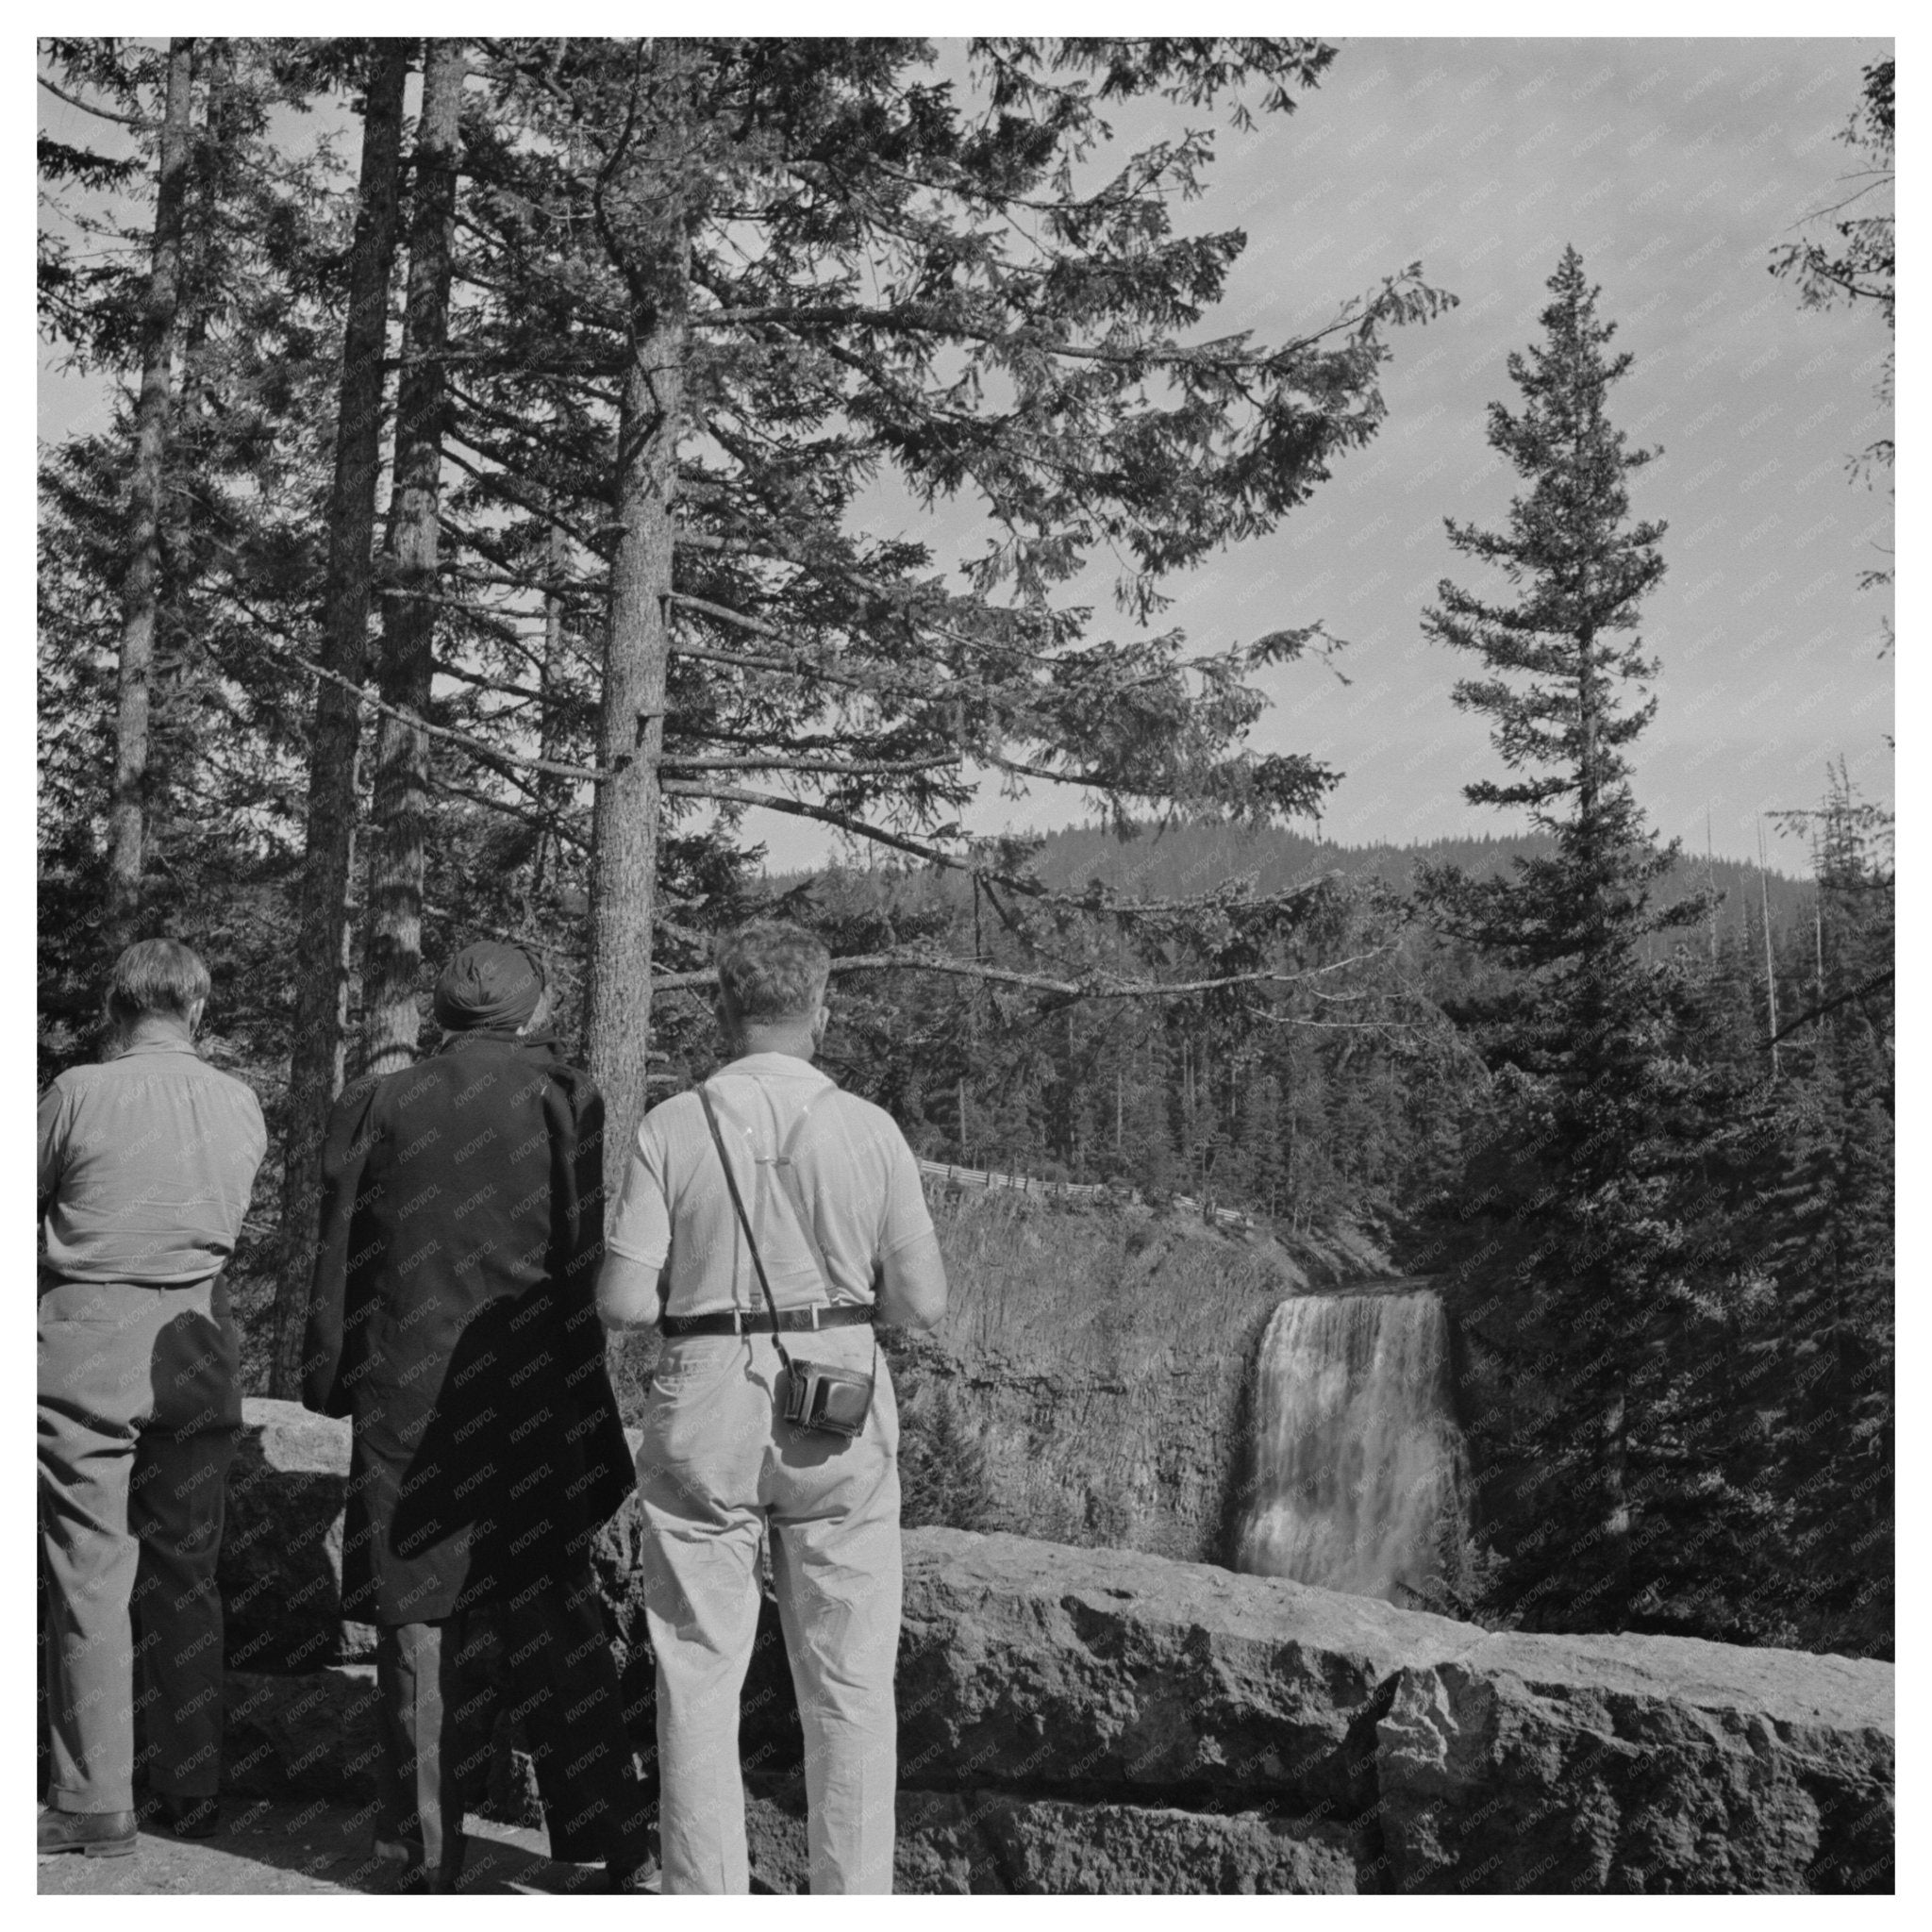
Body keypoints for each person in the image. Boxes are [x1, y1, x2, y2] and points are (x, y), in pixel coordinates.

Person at [598, 919, 949, 1894]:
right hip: (832, 1392)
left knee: (698, 1669)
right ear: (820, 1010)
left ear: (721, 1006)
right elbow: (921, 1303)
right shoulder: (869, 1128)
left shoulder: (672, 1125)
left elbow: (625, 1303)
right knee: (846, 1680)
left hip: (708, 1389)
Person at [301, 941, 652, 1893]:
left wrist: (327, 1374)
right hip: (530, 1388)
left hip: (408, 1395)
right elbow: (577, 1260)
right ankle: (608, 1836)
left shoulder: (382, 1101)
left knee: (416, 1617)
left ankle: (420, 1851)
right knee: (552, 1599)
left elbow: (344, 1252)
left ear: (441, 1019)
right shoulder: (563, 1098)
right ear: (530, 1016)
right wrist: (588, 1400)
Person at [38, 939, 267, 1857]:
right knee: (187, 1570)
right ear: (198, 1010)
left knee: (89, 1568)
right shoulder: (238, 1101)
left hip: (88, 1344)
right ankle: (191, 1782)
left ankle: (95, 1799)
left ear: (113, 1005)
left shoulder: (77, 1093)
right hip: (200, 1346)